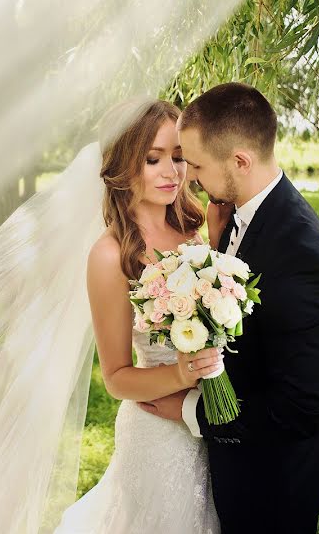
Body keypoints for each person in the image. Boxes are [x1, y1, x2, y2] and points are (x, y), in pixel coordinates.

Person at [139, 82, 319, 533]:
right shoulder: (233, 211)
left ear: (240, 161)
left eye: (195, 164)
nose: (187, 176)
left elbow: (297, 409)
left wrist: (189, 410)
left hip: (273, 488)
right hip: (236, 473)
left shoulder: (302, 257)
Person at [55, 98, 223, 533]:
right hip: (157, 433)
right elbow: (115, 377)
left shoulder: (194, 227)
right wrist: (183, 377)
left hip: (210, 425)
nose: (172, 172)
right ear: (124, 165)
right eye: (153, 159)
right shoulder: (109, 256)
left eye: (179, 157)